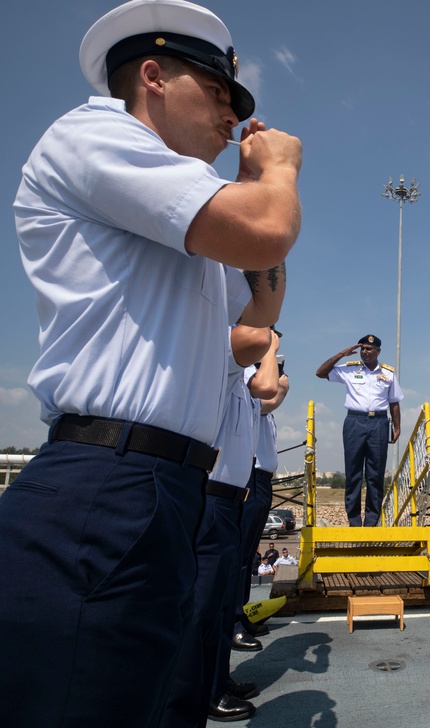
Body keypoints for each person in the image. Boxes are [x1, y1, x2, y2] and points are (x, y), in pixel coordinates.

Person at [0, 0, 301, 724]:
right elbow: (264, 233)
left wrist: (256, 195)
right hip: (106, 482)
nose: (232, 115)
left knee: (159, 700)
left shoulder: (171, 203)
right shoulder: (94, 133)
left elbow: (259, 313)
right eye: (220, 91)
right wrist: (278, 174)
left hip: (166, 486)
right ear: (151, 75)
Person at [161, 325, 274, 726]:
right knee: (201, 609)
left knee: (221, 604)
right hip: (213, 500)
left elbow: (267, 391)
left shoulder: (241, 388)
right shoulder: (228, 369)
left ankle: (216, 684)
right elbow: (268, 384)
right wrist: (271, 342)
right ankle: (194, 696)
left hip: (232, 503)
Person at [232, 341, 288, 647]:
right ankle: (232, 621)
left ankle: (240, 616)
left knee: (246, 553)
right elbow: (265, 401)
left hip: (261, 475)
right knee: (239, 554)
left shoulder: (252, 373)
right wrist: (281, 389)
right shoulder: (244, 373)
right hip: (248, 474)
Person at [316, 335, 403, 526]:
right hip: (355, 421)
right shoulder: (350, 369)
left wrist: (397, 427)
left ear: (378, 352)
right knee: (353, 471)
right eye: (362, 348)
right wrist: (341, 354)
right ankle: (354, 519)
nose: (365, 352)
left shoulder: (388, 374)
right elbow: (320, 373)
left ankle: (372, 520)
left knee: (375, 473)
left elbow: (394, 402)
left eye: (369, 349)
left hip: (379, 422)